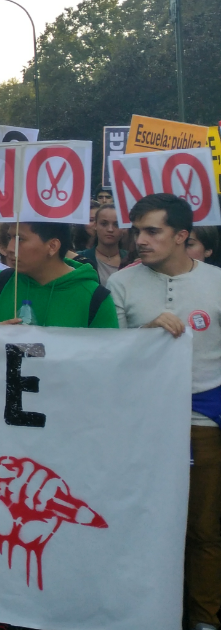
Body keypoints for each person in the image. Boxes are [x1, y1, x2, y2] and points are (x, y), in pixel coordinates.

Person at [104, 194, 221, 630]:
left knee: (204, 530)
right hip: (143, 425)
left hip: (204, 420)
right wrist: (144, 334)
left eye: (152, 231)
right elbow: (107, 356)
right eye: (137, 231)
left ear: (182, 235)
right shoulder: (122, 284)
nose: (140, 240)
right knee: (143, 525)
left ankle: (205, 618)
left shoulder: (217, 281)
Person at [0, 222, 118, 328]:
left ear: (52, 246)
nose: (10, 248)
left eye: (20, 239)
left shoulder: (95, 298)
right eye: (10, 238)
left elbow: (106, 365)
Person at [75, 203, 128, 284]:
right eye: (104, 224)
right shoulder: (80, 259)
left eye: (116, 224)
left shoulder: (131, 259)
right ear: (95, 225)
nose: (110, 229)